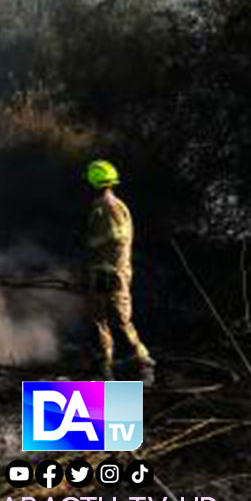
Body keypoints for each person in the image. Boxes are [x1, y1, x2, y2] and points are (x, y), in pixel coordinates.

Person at [84, 159, 154, 381]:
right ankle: (106, 366)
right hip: (106, 270)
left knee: (118, 318)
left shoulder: (107, 206)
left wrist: (92, 242)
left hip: (110, 271)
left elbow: (117, 235)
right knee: (100, 317)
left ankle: (142, 363)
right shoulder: (112, 204)